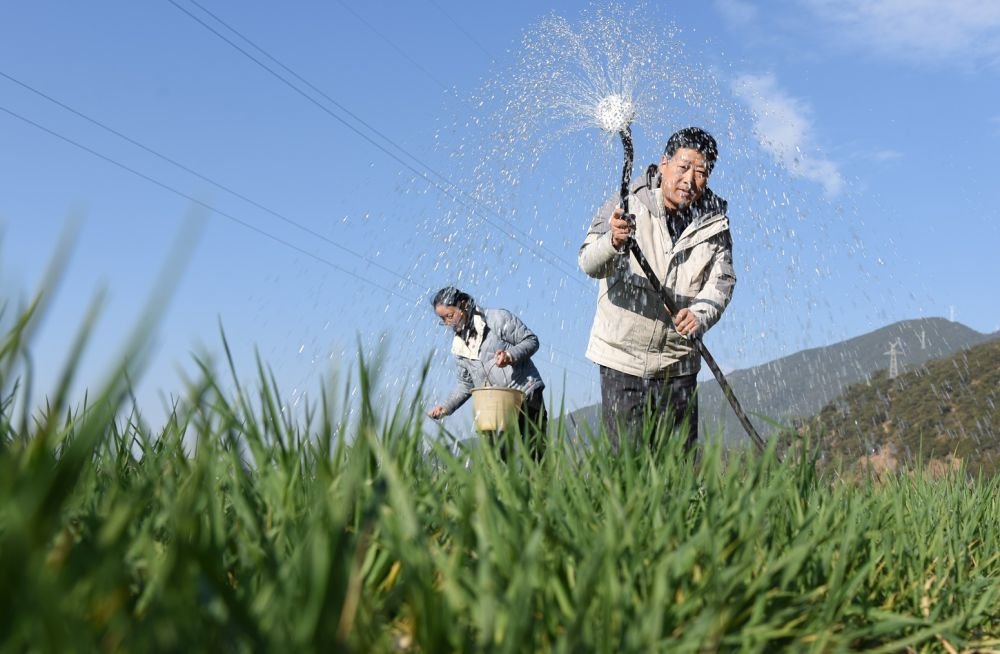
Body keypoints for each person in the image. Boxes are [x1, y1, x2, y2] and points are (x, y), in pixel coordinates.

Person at [578, 127, 736, 451]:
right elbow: (588, 262)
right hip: (623, 358)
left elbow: (722, 282)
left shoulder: (715, 223)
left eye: (701, 172)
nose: (690, 180)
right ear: (663, 163)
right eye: (683, 167)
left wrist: (699, 314)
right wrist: (613, 242)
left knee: (678, 467)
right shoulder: (625, 202)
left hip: (678, 363)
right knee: (627, 463)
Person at [427, 286, 547, 460]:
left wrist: (510, 355)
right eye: (443, 319)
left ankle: (541, 485)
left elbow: (531, 340)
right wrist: (446, 407)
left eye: (450, 316)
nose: (448, 323)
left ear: (464, 305)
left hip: (525, 393)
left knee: (535, 453)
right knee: (498, 460)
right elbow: (466, 385)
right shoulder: (459, 347)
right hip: (493, 407)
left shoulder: (497, 319)